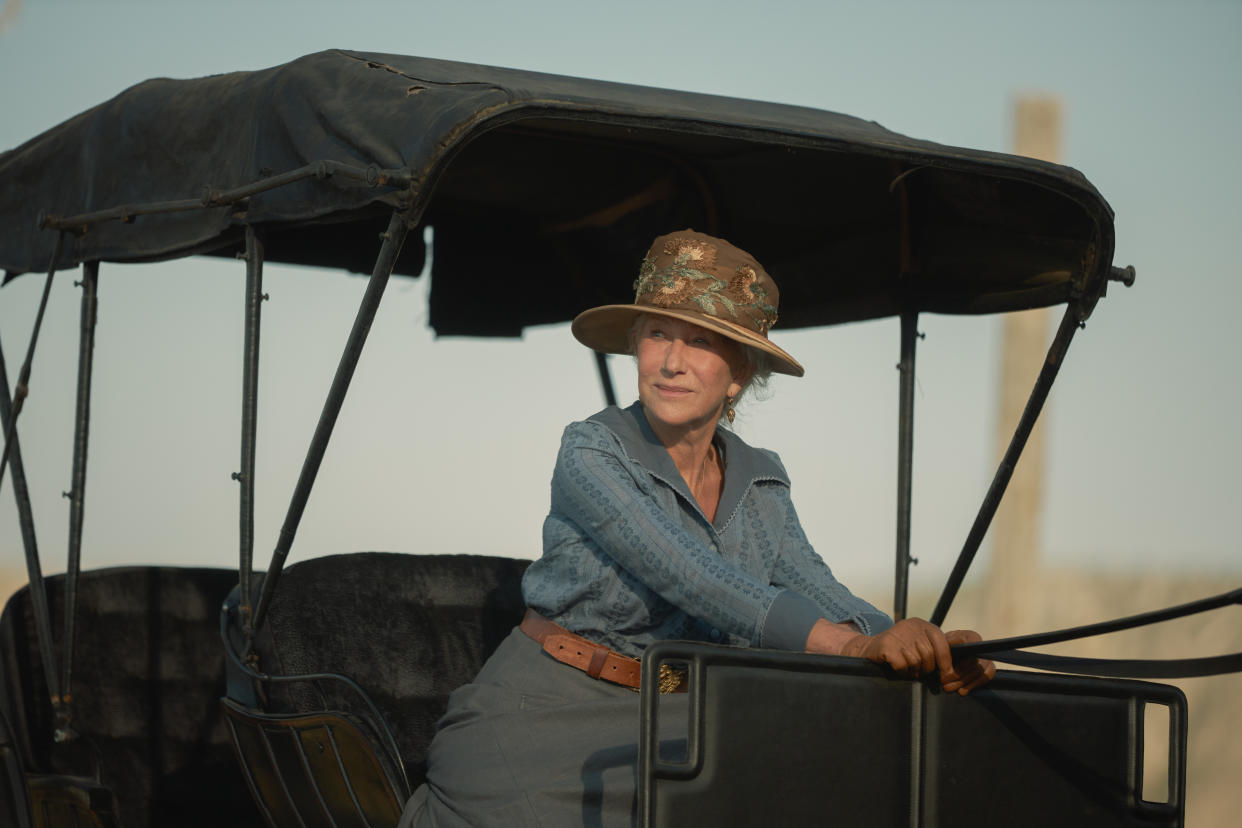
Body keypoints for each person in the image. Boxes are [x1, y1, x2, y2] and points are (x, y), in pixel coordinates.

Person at [400, 229, 994, 828]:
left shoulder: (762, 481)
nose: (672, 361)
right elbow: (692, 574)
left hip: (682, 720)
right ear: (637, 346)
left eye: (701, 342)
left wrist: (911, 646)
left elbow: (817, 587)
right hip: (546, 714)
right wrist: (850, 647)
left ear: (738, 374)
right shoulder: (592, 451)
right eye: (658, 333)